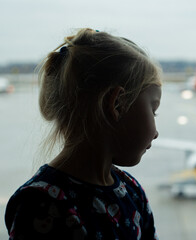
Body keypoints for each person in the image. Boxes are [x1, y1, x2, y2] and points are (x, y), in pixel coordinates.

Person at [5, 28, 162, 240]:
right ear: (117, 104)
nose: (156, 133)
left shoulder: (131, 189)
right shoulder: (41, 206)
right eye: (153, 110)